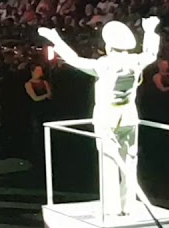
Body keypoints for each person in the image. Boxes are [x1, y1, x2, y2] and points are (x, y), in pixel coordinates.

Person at [40, 18, 162, 216]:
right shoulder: (136, 60)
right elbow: (151, 53)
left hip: (107, 115)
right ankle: (127, 204)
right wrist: (149, 31)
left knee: (109, 160)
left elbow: (74, 61)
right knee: (130, 159)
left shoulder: (105, 64)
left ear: (108, 46)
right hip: (129, 114)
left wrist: (56, 40)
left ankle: (112, 207)